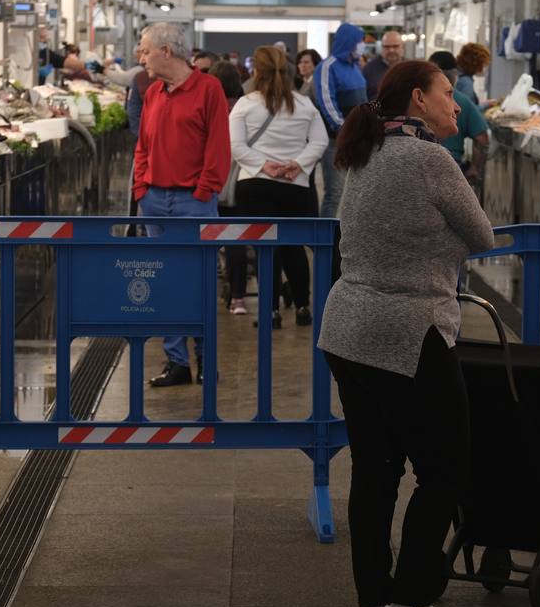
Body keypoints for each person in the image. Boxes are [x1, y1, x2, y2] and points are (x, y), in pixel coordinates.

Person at [318, 59, 494, 607]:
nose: (455, 104)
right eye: (448, 94)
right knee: (447, 467)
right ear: (418, 99)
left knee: (376, 469)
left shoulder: (364, 152)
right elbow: (482, 236)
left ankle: (372, 605)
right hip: (407, 331)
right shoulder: (430, 158)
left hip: (347, 329)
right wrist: (444, 243)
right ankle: (411, 602)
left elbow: (384, 234)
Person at [133, 23, 232, 388]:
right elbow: (142, 145)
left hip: (194, 201)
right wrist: (141, 188)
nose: (140, 57)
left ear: (166, 52)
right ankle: (177, 362)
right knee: (163, 282)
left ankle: (206, 359)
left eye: (145, 50)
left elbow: (219, 147)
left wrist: (205, 191)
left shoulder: (209, 89)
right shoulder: (154, 93)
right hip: (155, 200)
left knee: (199, 282)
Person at [226, 45, 329, 325]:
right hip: (294, 184)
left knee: (264, 247)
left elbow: (235, 146)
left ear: (256, 71)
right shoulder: (303, 105)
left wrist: (263, 165)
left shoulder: (245, 105)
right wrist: (298, 164)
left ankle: (270, 310)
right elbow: (321, 141)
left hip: (255, 185)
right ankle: (302, 306)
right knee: (293, 246)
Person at [309, 22, 368, 218]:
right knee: (335, 193)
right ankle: (328, 242)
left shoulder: (355, 67)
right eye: (360, 42)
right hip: (337, 140)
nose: (362, 45)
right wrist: (343, 128)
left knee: (354, 192)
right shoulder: (327, 67)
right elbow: (327, 101)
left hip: (358, 139)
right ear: (349, 41)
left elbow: (363, 101)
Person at [429, 51, 489, 186]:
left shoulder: (419, 99)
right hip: (451, 169)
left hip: (421, 168)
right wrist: (474, 169)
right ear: (454, 74)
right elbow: (482, 138)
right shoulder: (463, 101)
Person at [362, 30, 405, 101]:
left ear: (403, 47)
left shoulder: (410, 68)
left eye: (395, 46)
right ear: (381, 48)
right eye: (387, 47)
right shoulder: (369, 69)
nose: (391, 50)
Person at [455, 42, 491, 110]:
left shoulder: (457, 74)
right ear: (476, 63)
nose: (484, 67)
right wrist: (486, 105)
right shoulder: (466, 81)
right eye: (483, 64)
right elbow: (468, 110)